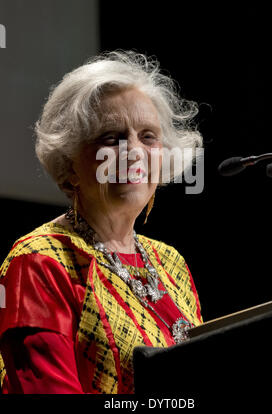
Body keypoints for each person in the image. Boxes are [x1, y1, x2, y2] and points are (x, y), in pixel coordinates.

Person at [0, 50, 203, 394]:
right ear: (69, 167)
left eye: (148, 136)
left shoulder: (171, 263)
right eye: (111, 138)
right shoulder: (39, 263)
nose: (133, 151)